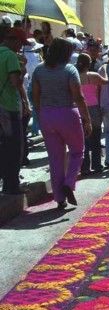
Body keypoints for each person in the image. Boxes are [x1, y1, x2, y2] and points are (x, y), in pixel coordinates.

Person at [32, 37, 92, 209]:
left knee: (55, 158)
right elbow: (78, 97)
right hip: (67, 114)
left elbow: (35, 94)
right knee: (77, 151)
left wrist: (40, 113)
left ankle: (59, 197)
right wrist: (87, 119)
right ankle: (69, 182)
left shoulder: (39, 70)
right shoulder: (69, 70)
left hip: (46, 115)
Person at [0, 28, 31, 195]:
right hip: (10, 107)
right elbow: (15, 82)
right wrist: (22, 70)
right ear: (14, 41)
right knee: (14, 148)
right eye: (20, 44)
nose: (20, 47)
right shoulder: (11, 56)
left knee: (3, 147)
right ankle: (11, 185)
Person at [76, 53, 108, 175]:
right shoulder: (92, 76)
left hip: (80, 109)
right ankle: (97, 165)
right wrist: (105, 69)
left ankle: (84, 167)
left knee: (83, 140)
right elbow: (106, 81)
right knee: (96, 137)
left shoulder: (75, 76)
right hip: (94, 108)